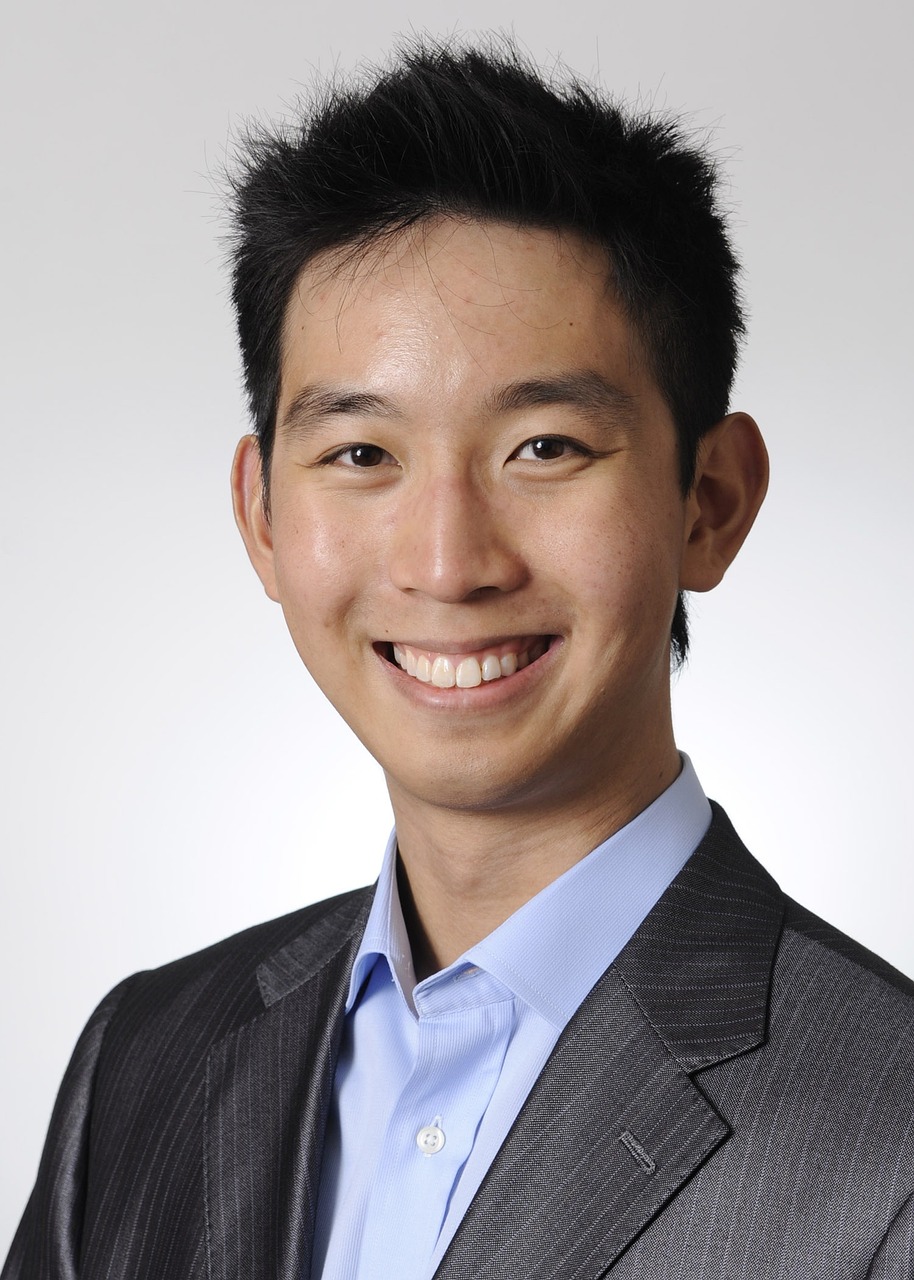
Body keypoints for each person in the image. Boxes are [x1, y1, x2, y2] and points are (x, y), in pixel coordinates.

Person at [5, 39, 914, 1280]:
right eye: (361, 455)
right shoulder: (145, 1057)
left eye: (542, 447)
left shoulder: (886, 1126)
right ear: (261, 514)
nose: (446, 561)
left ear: (708, 498)